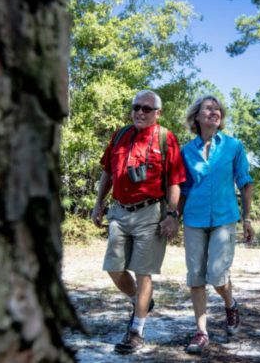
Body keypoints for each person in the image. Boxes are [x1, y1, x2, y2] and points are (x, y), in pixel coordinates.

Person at [91, 89, 185, 354]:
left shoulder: (166, 139)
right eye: (136, 107)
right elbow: (108, 172)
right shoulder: (120, 135)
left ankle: (136, 330)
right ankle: (139, 300)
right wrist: (99, 203)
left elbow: (174, 182)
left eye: (146, 108)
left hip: (151, 213)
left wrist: (172, 215)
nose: (139, 112)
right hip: (119, 212)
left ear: (157, 113)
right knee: (113, 268)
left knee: (143, 272)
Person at [175, 94, 255, 355]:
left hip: (224, 218)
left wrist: (248, 218)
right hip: (195, 219)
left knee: (217, 274)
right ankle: (201, 332)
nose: (214, 111)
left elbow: (245, 181)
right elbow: (183, 189)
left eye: (217, 108)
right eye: (208, 108)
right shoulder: (186, 151)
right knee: (195, 276)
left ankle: (230, 304)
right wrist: (173, 217)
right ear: (196, 116)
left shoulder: (233, 146)